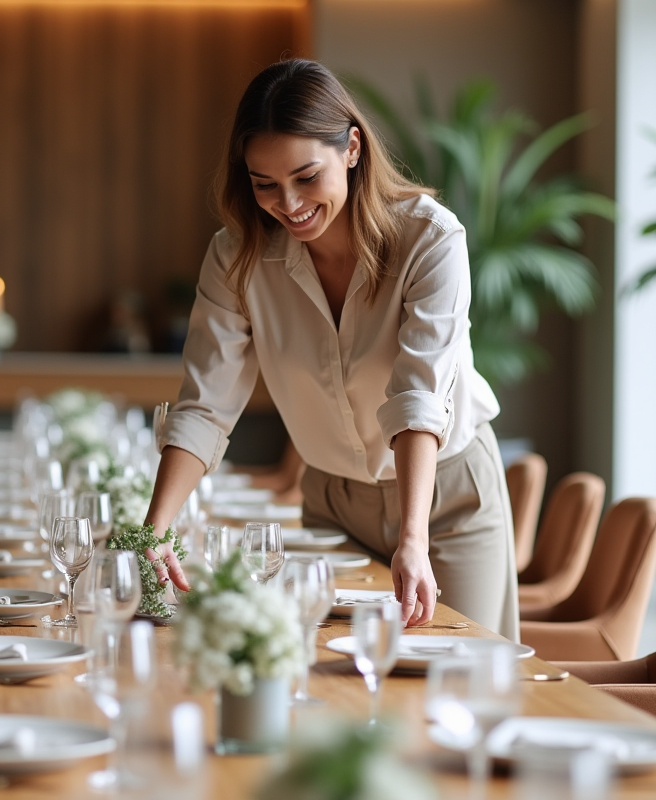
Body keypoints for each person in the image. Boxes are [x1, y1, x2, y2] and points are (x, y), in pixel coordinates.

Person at [142, 59, 518, 641]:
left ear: (352, 148)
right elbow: (205, 405)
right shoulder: (235, 257)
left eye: (305, 176)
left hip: (445, 500)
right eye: (263, 183)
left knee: (456, 681)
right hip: (333, 500)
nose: (287, 203)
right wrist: (156, 531)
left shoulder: (431, 240)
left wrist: (412, 540)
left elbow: (418, 398)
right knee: (333, 675)